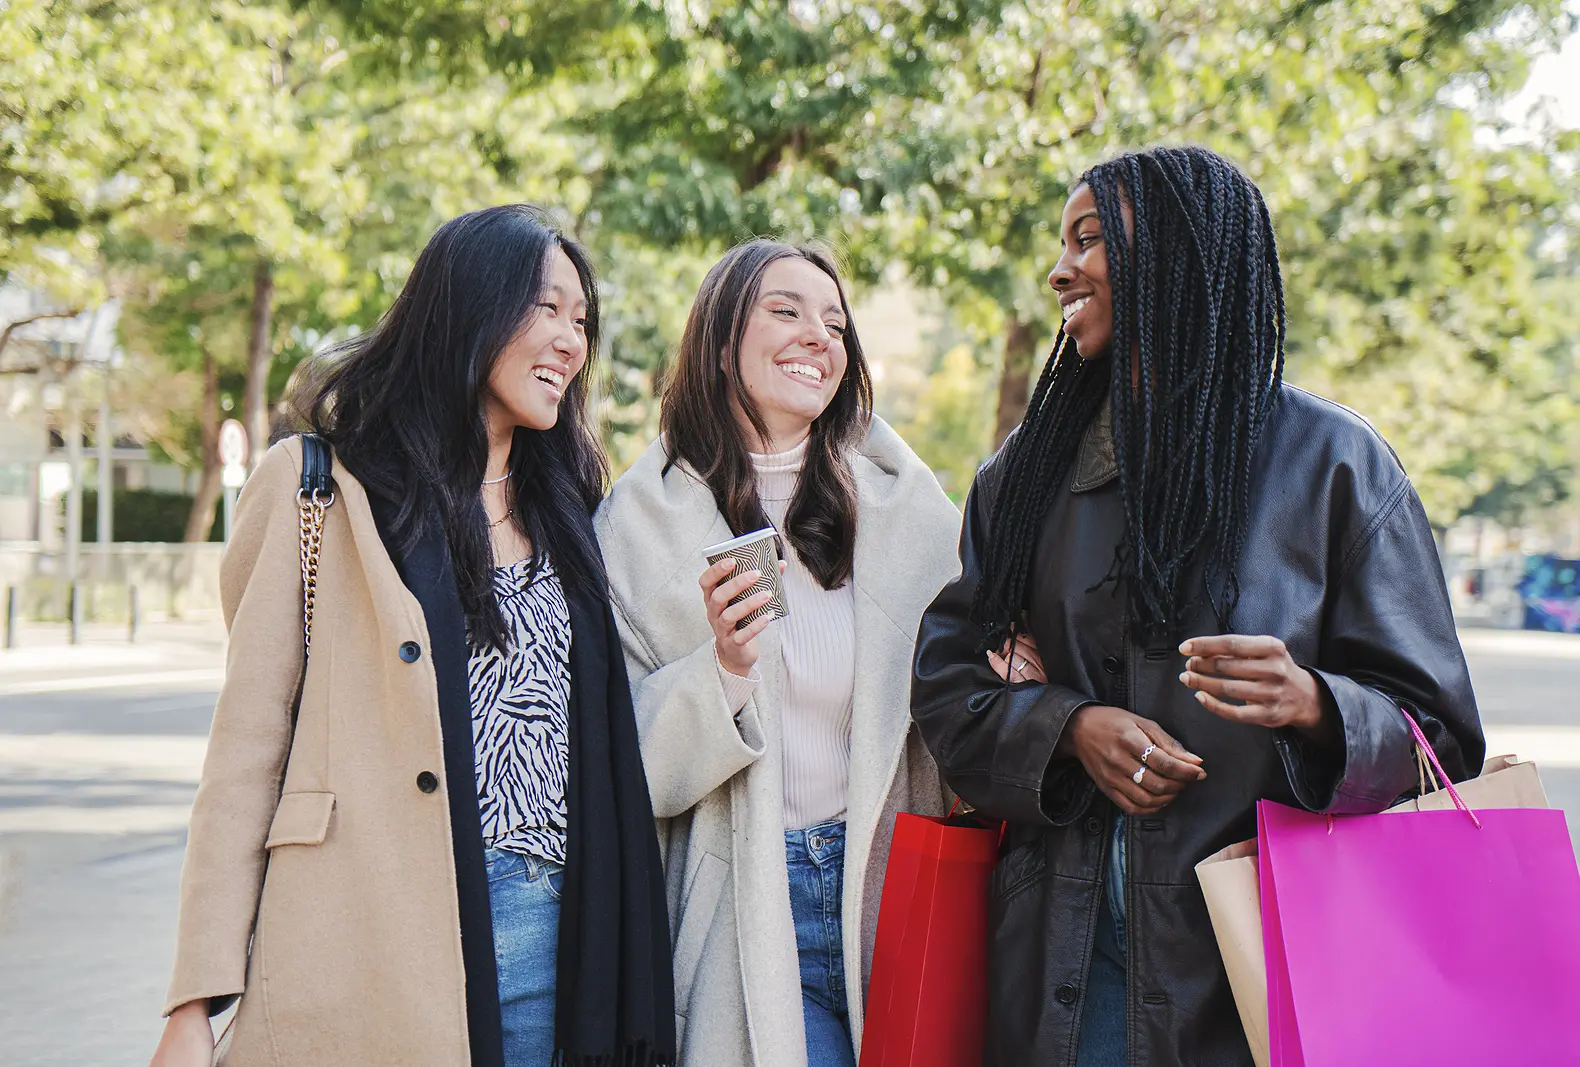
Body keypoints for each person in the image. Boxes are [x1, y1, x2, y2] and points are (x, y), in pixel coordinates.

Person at [910, 145, 1484, 1066]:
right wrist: (1068, 726)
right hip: (1073, 967)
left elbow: (1442, 737)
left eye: (1088, 239)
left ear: (1176, 252)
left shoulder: (1335, 466)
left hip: (1277, 966)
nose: (1060, 269)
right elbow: (947, 688)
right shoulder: (1023, 476)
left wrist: (1316, 703)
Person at [148, 205, 674, 1067]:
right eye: (546, 308)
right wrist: (193, 1002)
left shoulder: (572, 508)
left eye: (582, 321)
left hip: (563, 934)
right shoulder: (316, 488)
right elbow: (247, 754)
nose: (571, 341)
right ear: (469, 306)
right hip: (376, 934)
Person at [594, 239, 960, 1066]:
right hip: (742, 900)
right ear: (723, 342)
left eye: (834, 322)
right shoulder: (638, 526)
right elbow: (622, 763)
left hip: (889, 889)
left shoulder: (907, 507)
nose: (817, 336)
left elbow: (959, 689)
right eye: (786, 311)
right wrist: (721, 666)